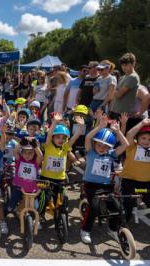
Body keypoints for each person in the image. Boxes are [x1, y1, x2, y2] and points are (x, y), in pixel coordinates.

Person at [80, 114, 129, 244]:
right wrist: (100, 127)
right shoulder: (91, 152)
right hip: (90, 185)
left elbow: (126, 144)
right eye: (99, 145)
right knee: (94, 207)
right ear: (95, 144)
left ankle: (112, 229)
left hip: (106, 186)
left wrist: (118, 131)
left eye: (105, 146)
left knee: (117, 208)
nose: (102, 148)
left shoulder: (111, 154)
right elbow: (88, 137)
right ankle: (85, 230)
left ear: (109, 147)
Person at [119, 119, 150, 222]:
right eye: (143, 138)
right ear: (137, 138)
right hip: (129, 181)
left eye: (149, 139)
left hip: (146, 183)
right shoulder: (132, 147)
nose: (146, 141)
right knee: (128, 204)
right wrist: (142, 123)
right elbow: (129, 135)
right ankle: (123, 223)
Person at [109, 53, 141, 132]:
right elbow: (115, 94)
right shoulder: (123, 77)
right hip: (113, 110)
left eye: (126, 65)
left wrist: (113, 90)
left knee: (118, 139)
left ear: (133, 64)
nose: (124, 67)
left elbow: (119, 94)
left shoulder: (133, 77)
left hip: (122, 113)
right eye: (123, 65)